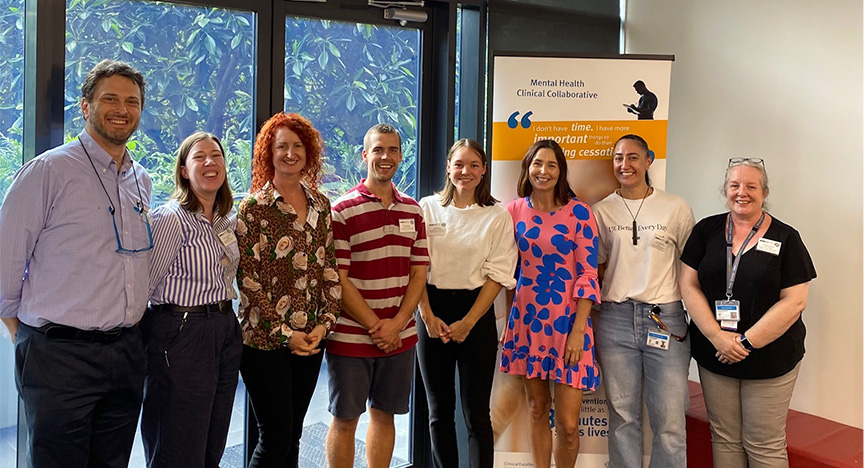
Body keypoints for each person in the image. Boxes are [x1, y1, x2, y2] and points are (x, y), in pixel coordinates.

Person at [0, 59, 150, 468]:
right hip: (59, 358)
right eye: (110, 99)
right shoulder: (48, 171)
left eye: (132, 101)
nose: (122, 109)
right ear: (85, 107)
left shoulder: (141, 180)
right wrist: (30, 337)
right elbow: (4, 268)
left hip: (126, 354)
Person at [680, 158, 816, 467]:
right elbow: (687, 284)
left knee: (764, 444)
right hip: (716, 353)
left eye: (751, 186)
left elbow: (795, 301)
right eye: (734, 185)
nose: (742, 192)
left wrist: (744, 343)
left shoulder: (786, 238)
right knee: (725, 437)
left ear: (765, 192)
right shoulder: (706, 230)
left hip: (769, 357)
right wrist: (718, 337)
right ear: (725, 190)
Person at [236, 112, 341, 468]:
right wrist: (286, 335)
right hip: (264, 342)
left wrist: (323, 325)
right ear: (269, 152)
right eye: (282, 146)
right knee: (276, 434)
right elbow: (247, 281)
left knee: (292, 434)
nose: (290, 153)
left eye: (298, 146)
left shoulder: (320, 204)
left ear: (308, 153)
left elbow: (329, 269)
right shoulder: (253, 209)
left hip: (311, 339)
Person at [326, 123, 428, 468]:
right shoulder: (342, 210)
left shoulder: (413, 211)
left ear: (401, 156)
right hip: (351, 336)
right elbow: (338, 279)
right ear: (364, 155)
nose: (386, 157)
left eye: (393, 150)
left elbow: (419, 273)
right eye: (379, 150)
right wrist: (376, 326)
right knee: (345, 419)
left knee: (385, 416)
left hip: (400, 336)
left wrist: (398, 324)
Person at [592, 134, 695, 467]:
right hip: (615, 319)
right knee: (623, 418)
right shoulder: (601, 211)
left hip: (664, 318)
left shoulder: (675, 207)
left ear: (648, 160)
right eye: (619, 158)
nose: (626, 165)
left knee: (670, 421)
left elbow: (691, 264)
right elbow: (599, 263)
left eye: (633, 157)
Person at [142, 132, 242, 468]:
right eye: (199, 157)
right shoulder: (172, 218)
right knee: (178, 439)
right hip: (183, 330)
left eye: (216, 154)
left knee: (214, 435)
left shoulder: (226, 218)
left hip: (225, 328)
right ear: (184, 170)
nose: (210, 162)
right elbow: (146, 283)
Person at [417, 139, 518, 468]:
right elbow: (415, 267)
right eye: (459, 164)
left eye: (474, 165)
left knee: (477, 413)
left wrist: (469, 322)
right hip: (431, 312)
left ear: (484, 170)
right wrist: (427, 316)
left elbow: (498, 274)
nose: (466, 171)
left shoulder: (497, 216)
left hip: (476, 314)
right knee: (438, 412)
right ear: (448, 167)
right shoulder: (427, 208)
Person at [500, 139, 601, 468]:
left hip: (571, 324)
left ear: (561, 172)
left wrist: (578, 331)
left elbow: (588, 274)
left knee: (569, 425)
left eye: (552, 165)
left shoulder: (579, 213)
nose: (543, 171)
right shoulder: (513, 211)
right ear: (527, 168)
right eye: (537, 164)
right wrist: (508, 325)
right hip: (528, 322)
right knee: (536, 409)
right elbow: (505, 269)